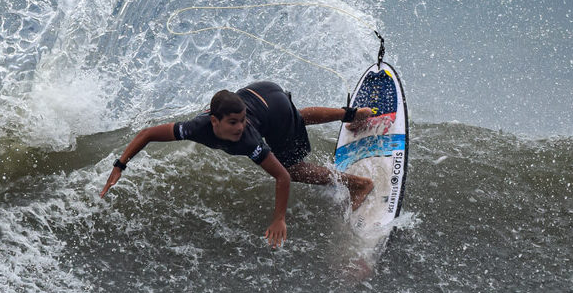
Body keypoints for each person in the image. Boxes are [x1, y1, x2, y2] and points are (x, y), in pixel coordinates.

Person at [100, 81, 376, 248]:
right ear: (213, 121)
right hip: (265, 93)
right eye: (233, 122)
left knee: (291, 164)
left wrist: (279, 218)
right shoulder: (195, 127)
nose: (239, 127)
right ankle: (355, 114)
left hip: (270, 104)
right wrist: (119, 165)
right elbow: (148, 134)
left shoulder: (248, 140)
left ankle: (358, 185)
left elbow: (282, 177)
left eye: (242, 121)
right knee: (294, 117)